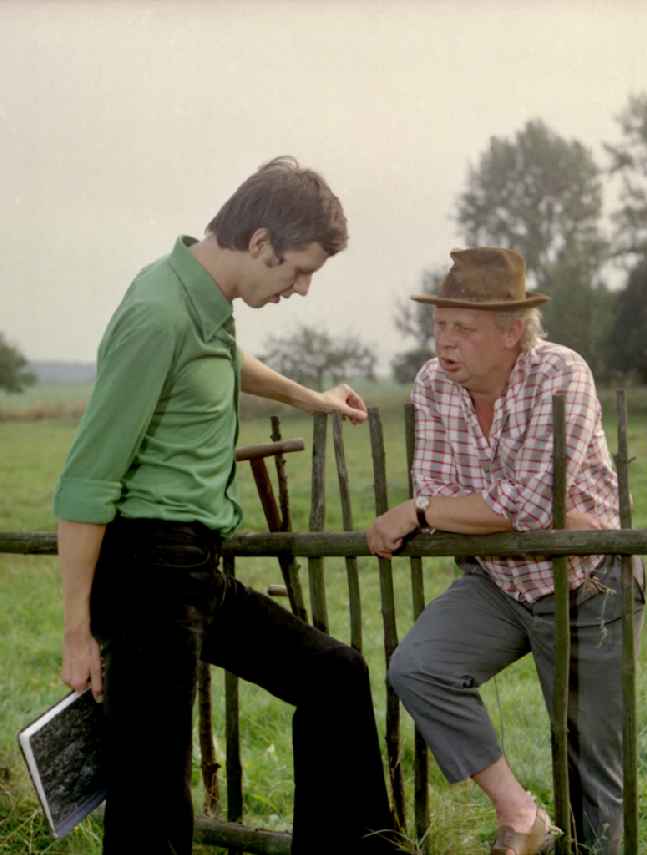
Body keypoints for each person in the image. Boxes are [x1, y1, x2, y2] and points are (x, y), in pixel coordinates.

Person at [55, 157, 402, 855]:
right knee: (152, 800)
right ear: (261, 242)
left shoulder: (205, 306)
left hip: (194, 571)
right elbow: (86, 479)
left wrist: (314, 400)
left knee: (334, 677)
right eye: (298, 270)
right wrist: (75, 629)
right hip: (148, 572)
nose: (300, 288)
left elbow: (227, 363)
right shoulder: (157, 313)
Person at [366, 247, 645, 855]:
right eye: (440, 325)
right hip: (498, 582)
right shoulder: (433, 383)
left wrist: (418, 513)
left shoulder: (559, 374)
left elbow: (515, 501)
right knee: (417, 668)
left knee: (590, 764)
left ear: (512, 331)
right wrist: (494, 509)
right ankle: (522, 816)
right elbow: (456, 495)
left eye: (463, 329)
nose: (446, 343)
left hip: (585, 583)